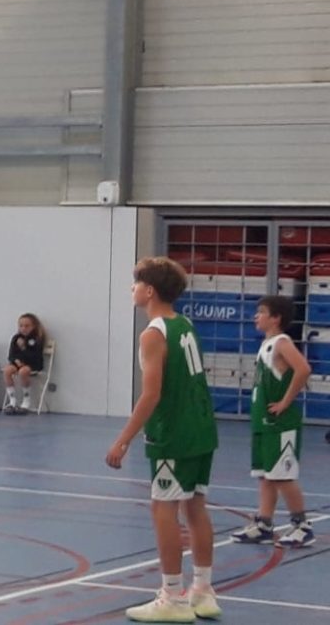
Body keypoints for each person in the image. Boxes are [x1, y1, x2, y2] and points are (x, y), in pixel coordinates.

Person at [105, 257, 221, 622]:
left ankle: (172, 596)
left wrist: (123, 439)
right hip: (201, 428)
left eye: (136, 283)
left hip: (173, 433)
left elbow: (151, 394)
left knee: (163, 509)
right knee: (196, 506)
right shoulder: (185, 324)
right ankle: (202, 591)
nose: (132, 288)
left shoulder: (153, 333)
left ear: (150, 291)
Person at [230, 295, 315, 548]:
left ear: (276, 318)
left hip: (280, 424)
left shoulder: (281, 342)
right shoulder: (266, 344)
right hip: (264, 422)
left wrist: (285, 401)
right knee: (266, 476)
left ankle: (302, 526)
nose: (256, 316)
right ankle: (264, 524)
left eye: (262, 312)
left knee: (282, 476)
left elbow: (304, 369)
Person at [2, 313, 47, 415]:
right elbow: (11, 355)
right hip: (17, 363)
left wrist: (23, 347)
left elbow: (35, 356)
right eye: (21, 326)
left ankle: (26, 400)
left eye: (27, 326)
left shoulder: (36, 339)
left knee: (23, 372)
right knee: (7, 370)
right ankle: (12, 401)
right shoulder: (16, 338)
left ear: (33, 326)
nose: (23, 328)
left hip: (33, 364)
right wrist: (15, 361)